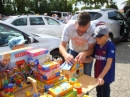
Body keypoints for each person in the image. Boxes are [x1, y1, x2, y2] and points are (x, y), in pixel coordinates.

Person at [59, 11, 96, 76]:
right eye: (78, 30)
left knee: (86, 73)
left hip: (86, 51)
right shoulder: (69, 27)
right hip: (73, 50)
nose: (81, 33)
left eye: (84, 31)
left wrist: (85, 53)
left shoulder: (92, 29)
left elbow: (91, 49)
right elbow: (62, 45)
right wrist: (65, 55)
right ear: (76, 22)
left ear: (89, 25)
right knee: (70, 72)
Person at [83, 25, 115, 97]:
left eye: (99, 37)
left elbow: (109, 64)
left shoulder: (110, 46)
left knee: (104, 94)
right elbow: (90, 59)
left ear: (107, 36)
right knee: (99, 93)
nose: (97, 39)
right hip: (97, 75)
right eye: (96, 37)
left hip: (105, 76)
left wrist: (101, 76)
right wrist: (80, 60)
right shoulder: (97, 46)